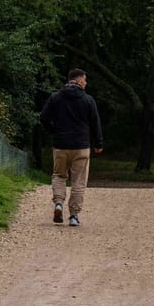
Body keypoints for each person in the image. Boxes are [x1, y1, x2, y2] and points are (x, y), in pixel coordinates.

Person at [39, 68, 103, 226]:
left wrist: (54, 131)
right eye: (85, 80)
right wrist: (98, 143)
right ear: (79, 80)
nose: (86, 83)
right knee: (79, 181)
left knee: (59, 176)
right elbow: (95, 123)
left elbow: (44, 118)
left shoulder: (55, 98)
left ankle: (59, 203)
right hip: (81, 145)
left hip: (60, 144)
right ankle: (74, 215)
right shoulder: (88, 100)